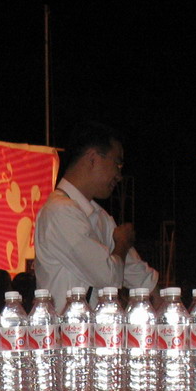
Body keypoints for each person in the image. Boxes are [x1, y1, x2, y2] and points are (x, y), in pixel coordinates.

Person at [34, 121, 157, 303]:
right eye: (117, 164)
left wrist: (164, 300)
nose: (119, 176)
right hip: (69, 322)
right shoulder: (59, 211)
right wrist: (122, 244)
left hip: (95, 322)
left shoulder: (99, 216)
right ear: (93, 158)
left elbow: (137, 274)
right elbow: (108, 278)